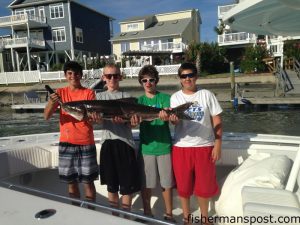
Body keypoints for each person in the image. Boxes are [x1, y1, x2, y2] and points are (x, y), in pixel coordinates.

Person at [169, 62, 223, 225]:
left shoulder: (207, 94)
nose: (187, 79)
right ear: (180, 79)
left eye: (190, 75)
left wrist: (218, 143)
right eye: (184, 76)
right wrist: (173, 120)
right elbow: (175, 123)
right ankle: (187, 219)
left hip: (204, 147)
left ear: (196, 77)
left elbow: (217, 119)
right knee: (184, 188)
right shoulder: (175, 97)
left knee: (204, 187)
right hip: (181, 147)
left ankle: (205, 218)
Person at [44, 61, 98, 206]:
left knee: (88, 183)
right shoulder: (59, 93)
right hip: (66, 143)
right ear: (65, 75)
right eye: (70, 73)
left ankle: (90, 213)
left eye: (76, 73)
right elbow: (46, 116)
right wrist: (51, 102)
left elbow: (93, 120)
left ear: (81, 75)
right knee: (71, 183)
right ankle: (76, 212)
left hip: (86, 142)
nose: (73, 76)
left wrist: (94, 118)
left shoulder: (89, 93)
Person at [96, 63, 140, 214]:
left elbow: (133, 124)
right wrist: (94, 118)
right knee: (111, 186)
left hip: (125, 144)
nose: (112, 78)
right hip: (107, 144)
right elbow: (93, 120)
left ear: (120, 77)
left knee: (127, 188)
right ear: (104, 78)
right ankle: (115, 217)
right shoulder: (98, 97)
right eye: (109, 76)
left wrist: (130, 122)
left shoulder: (127, 97)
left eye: (115, 75)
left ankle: (126, 219)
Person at [137, 65, 175, 222]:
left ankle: (169, 214)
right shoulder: (139, 101)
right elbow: (131, 123)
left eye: (151, 80)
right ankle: (147, 213)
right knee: (147, 184)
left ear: (156, 81)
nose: (148, 83)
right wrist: (132, 121)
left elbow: (174, 120)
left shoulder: (166, 98)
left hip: (164, 146)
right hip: (147, 147)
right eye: (144, 80)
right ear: (141, 82)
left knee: (166, 184)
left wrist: (170, 117)